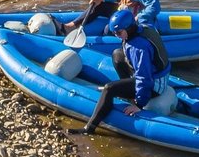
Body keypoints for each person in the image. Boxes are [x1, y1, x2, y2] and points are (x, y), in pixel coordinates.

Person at [69, 8, 164, 137]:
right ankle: (129, 94)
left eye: (119, 32)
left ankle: (89, 128)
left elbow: (144, 77)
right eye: (114, 33)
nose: (116, 36)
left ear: (129, 28)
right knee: (117, 55)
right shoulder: (143, 28)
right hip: (152, 75)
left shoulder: (138, 47)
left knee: (109, 88)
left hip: (155, 84)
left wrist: (139, 104)